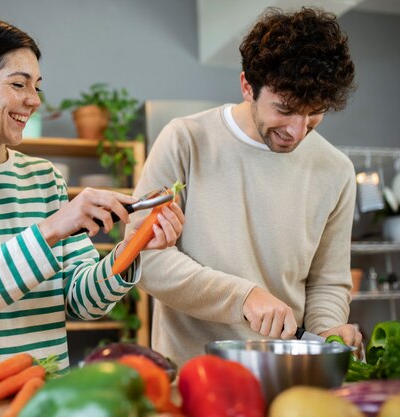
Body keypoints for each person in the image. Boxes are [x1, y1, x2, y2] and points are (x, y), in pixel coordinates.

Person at [0, 15, 184, 375]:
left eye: (36, 86)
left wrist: (129, 250)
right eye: (18, 84)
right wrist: (50, 230)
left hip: (38, 395)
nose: (34, 101)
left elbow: (82, 302)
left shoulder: (45, 178)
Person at [129, 7, 362, 367]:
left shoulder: (336, 170)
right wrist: (243, 296)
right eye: (285, 109)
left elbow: (327, 282)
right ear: (247, 86)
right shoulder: (186, 140)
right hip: (193, 373)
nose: (298, 131)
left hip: (286, 373)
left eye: (314, 112)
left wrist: (330, 330)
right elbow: (144, 256)